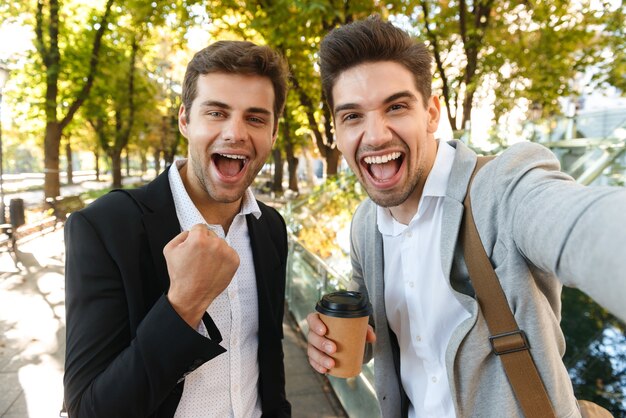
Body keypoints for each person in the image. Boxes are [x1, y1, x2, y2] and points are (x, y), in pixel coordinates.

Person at [306, 16, 626, 418]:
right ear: (336, 129)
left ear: (432, 113)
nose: (375, 135)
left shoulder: (503, 187)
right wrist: (340, 341)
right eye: (352, 116)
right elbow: (376, 328)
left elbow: (583, 225)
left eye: (397, 107)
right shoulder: (365, 226)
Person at [64, 40, 291, 417]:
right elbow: (90, 410)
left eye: (255, 118)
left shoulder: (270, 227)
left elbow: (268, 356)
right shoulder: (105, 228)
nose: (235, 133)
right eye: (216, 113)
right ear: (185, 120)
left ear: (273, 131)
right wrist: (183, 305)